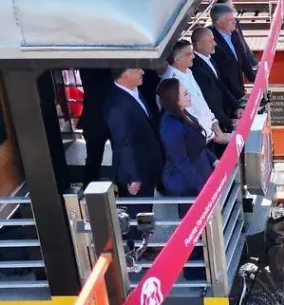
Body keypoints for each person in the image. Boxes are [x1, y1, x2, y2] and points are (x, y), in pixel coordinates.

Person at [104, 67, 164, 232]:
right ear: (124, 74)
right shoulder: (117, 106)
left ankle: (142, 246)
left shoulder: (134, 91)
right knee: (135, 216)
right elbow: (123, 143)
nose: (142, 72)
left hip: (147, 166)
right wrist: (134, 176)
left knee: (145, 212)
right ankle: (134, 251)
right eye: (137, 69)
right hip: (135, 173)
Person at [157, 78, 219, 218]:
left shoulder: (184, 113)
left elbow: (198, 145)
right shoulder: (171, 126)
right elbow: (181, 162)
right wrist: (203, 188)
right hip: (186, 183)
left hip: (200, 172)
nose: (189, 96)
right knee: (194, 219)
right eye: (185, 94)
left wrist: (214, 160)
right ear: (174, 99)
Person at [160, 39, 231, 157]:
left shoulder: (188, 72)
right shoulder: (171, 82)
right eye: (188, 54)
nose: (193, 56)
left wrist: (215, 126)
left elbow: (202, 104)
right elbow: (187, 115)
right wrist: (213, 134)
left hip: (210, 136)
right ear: (176, 59)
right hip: (198, 144)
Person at [190, 27, 243, 131]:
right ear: (199, 45)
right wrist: (228, 121)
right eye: (210, 41)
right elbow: (209, 101)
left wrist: (236, 106)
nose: (215, 43)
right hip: (217, 124)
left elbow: (222, 86)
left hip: (224, 115)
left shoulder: (210, 60)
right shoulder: (197, 69)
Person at [210, 3, 257, 103]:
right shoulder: (212, 42)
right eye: (230, 20)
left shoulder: (234, 33)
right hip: (227, 96)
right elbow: (223, 74)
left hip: (239, 87)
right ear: (218, 22)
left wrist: (254, 79)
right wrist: (240, 95)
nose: (235, 22)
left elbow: (242, 57)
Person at [77, 68, 114, 187]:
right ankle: (123, 191)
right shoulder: (111, 70)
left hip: (93, 119)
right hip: (111, 117)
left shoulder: (86, 68)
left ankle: (88, 189)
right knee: (120, 157)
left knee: (93, 159)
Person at [218, 0, 258, 68]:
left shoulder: (235, 22)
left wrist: (254, 62)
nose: (233, 9)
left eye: (232, 7)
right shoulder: (212, 30)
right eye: (229, 7)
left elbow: (242, 43)